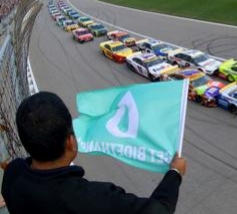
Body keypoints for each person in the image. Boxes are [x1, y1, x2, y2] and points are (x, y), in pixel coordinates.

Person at [1, 91, 186, 213]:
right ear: (70, 142)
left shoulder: (12, 174)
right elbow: (159, 210)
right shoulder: (94, 198)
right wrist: (175, 173)